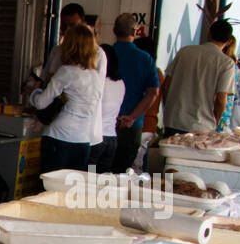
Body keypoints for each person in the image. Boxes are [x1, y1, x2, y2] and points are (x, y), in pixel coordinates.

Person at [30, 23, 102, 173]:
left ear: (70, 45)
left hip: (59, 137)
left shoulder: (66, 72)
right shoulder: (95, 76)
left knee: (49, 189)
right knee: (72, 191)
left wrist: (35, 92)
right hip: (83, 141)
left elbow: (41, 104)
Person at [160, 19, 236, 135]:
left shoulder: (185, 51)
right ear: (229, 41)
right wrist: (215, 121)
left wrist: (169, 109)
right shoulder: (226, 63)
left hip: (173, 121)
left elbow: (166, 86)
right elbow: (221, 99)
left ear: (209, 34)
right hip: (201, 126)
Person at [109, 14, 160, 173]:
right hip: (132, 127)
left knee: (98, 173)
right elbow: (153, 93)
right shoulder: (145, 59)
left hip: (104, 124)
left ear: (114, 30)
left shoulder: (104, 54)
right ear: (135, 31)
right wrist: (132, 117)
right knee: (122, 173)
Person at [90, 43, 124, 171]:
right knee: (101, 182)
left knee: (88, 180)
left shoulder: (99, 82)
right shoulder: (121, 83)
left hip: (96, 137)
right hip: (112, 138)